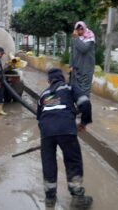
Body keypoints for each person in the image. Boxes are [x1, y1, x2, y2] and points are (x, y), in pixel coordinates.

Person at [37, 68, 93, 208]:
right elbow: (85, 102)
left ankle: (50, 199)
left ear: (49, 81)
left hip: (47, 131)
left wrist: (47, 134)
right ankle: (78, 198)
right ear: (62, 78)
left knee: (48, 163)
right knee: (72, 160)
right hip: (66, 128)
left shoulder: (43, 94)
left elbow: (39, 117)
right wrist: (84, 122)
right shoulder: (69, 87)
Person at [69, 21, 95, 97]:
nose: (79, 31)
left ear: (84, 28)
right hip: (76, 69)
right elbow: (72, 52)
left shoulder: (90, 37)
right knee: (75, 90)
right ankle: (76, 107)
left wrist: (76, 38)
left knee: (84, 92)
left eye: (81, 29)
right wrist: (71, 65)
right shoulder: (74, 39)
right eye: (77, 29)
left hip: (86, 69)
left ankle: (84, 108)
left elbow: (83, 49)